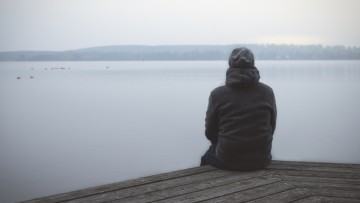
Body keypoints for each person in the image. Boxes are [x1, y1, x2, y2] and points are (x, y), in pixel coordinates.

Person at [201, 47, 277, 171]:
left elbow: (210, 132)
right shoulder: (267, 92)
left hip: (228, 159)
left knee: (205, 158)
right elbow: (271, 126)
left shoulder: (217, 94)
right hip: (261, 158)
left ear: (230, 64)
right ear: (252, 63)